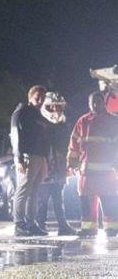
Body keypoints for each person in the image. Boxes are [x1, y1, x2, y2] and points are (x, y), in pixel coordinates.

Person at [67, 92, 118, 237]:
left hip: (108, 170)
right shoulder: (82, 121)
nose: (96, 104)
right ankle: (88, 229)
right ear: (89, 104)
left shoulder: (113, 121)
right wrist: (72, 164)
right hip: (86, 171)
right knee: (87, 201)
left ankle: (112, 228)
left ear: (104, 103)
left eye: (99, 101)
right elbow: (73, 144)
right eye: (93, 102)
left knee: (109, 199)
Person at [10, 85, 50, 236]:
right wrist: (19, 158)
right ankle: (19, 224)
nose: (40, 100)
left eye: (42, 98)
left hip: (39, 157)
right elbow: (16, 136)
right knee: (23, 190)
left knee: (34, 192)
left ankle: (31, 223)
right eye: (37, 97)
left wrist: (45, 159)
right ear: (30, 97)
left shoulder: (39, 115)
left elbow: (45, 140)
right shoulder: (21, 112)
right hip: (27, 156)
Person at [36, 92, 77, 235]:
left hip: (58, 164)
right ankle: (40, 224)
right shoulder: (40, 122)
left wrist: (68, 164)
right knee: (42, 198)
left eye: (60, 107)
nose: (57, 110)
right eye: (54, 107)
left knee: (58, 196)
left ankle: (62, 225)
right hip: (44, 163)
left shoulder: (63, 123)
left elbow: (66, 143)